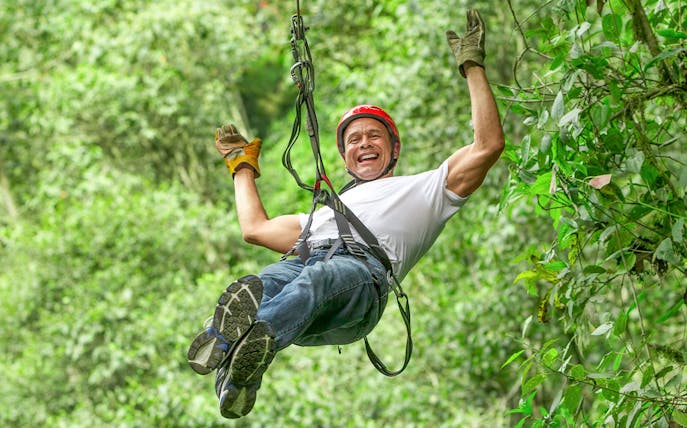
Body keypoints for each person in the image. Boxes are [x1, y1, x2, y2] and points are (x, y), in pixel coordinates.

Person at [187, 9, 505, 419]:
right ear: (344, 157)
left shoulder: (425, 189)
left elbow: (488, 145)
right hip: (306, 272)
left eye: (375, 135)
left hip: (361, 285)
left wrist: (472, 65)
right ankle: (237, 376)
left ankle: (237, 347)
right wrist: (241, 166)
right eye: (354, 139)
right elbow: (255, 229)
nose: (364, 143)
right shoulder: (325, 215)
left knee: (317, 278)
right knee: (262, 282)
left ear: (394, 147)